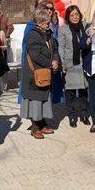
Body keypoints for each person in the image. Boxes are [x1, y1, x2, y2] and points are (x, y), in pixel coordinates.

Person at [20, 8, 60, 139]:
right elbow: (35, 54)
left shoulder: (48, 34)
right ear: (40, 22)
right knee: (35, 101)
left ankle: (42, 124)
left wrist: (55, 60)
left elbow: (54, 49)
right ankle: (35, 127)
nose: (49, 24)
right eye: (47, 22)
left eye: (49, 22)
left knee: (43, 99)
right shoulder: (33, 34)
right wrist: (50, 64)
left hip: (45, 72)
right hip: (34, 74)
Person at [58, 5, 89, 128]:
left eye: (77, 14)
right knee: (70, 92)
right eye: (72, 15)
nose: (75, 17)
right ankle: (72, 116)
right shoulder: (63, 29)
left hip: (84, 63)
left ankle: (84, 114)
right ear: (68, 17)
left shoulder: (85, 27)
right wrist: (63, 64)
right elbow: (61, 47)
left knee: (83, 91)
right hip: (70, 64)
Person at [18, 0, 47, 104]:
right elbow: (27, 46)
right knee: (32, 91)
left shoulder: (46, 26)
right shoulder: (31, 26)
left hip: (42, 62)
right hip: (32, 62)